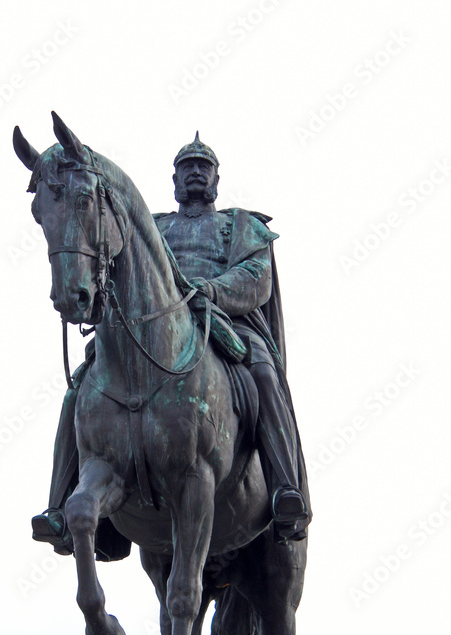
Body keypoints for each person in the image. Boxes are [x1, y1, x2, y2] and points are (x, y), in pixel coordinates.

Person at [32, 133, 310, 556]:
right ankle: (59, 505)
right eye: (187, 167)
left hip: (225, 321)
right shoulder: (153, 225)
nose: (195, 172)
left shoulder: (241, 225)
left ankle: (284, 486)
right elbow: (115, 263)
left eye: (204, 166)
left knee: (264, 374)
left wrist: (212, 291)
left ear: (216, 179)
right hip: (150, 327)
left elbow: (258, 277)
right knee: (81, 385)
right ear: (175, 180)